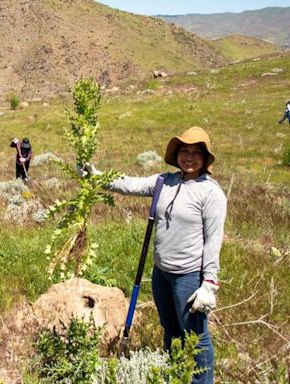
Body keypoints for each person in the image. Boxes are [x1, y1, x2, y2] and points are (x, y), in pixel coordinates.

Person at [94, 127, 226, 384]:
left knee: (197, 338)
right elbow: (128, 184)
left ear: (205, 158)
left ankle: (202, 380)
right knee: (171, 331)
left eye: (196, 153)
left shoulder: (211, 193)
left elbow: (213, 240)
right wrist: (96, 176)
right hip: (161, 274)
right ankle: (174, 375)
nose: (189, 157)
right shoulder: (164, 182)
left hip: (188, 277)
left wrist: (209, 283)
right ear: (176, 154)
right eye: (184, 151)